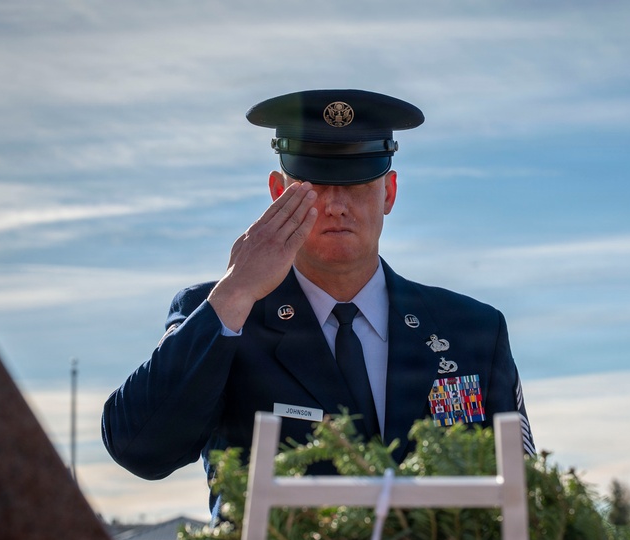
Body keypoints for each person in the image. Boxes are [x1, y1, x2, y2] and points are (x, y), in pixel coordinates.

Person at [102, 89, 533, 516]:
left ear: (389, 193)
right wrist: (236, 291)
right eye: (316, 187)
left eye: (359, 184)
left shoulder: (471, 330)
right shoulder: (224, 314)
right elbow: (140, 449)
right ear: (277, 192)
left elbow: (527, 491)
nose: (337, 206)